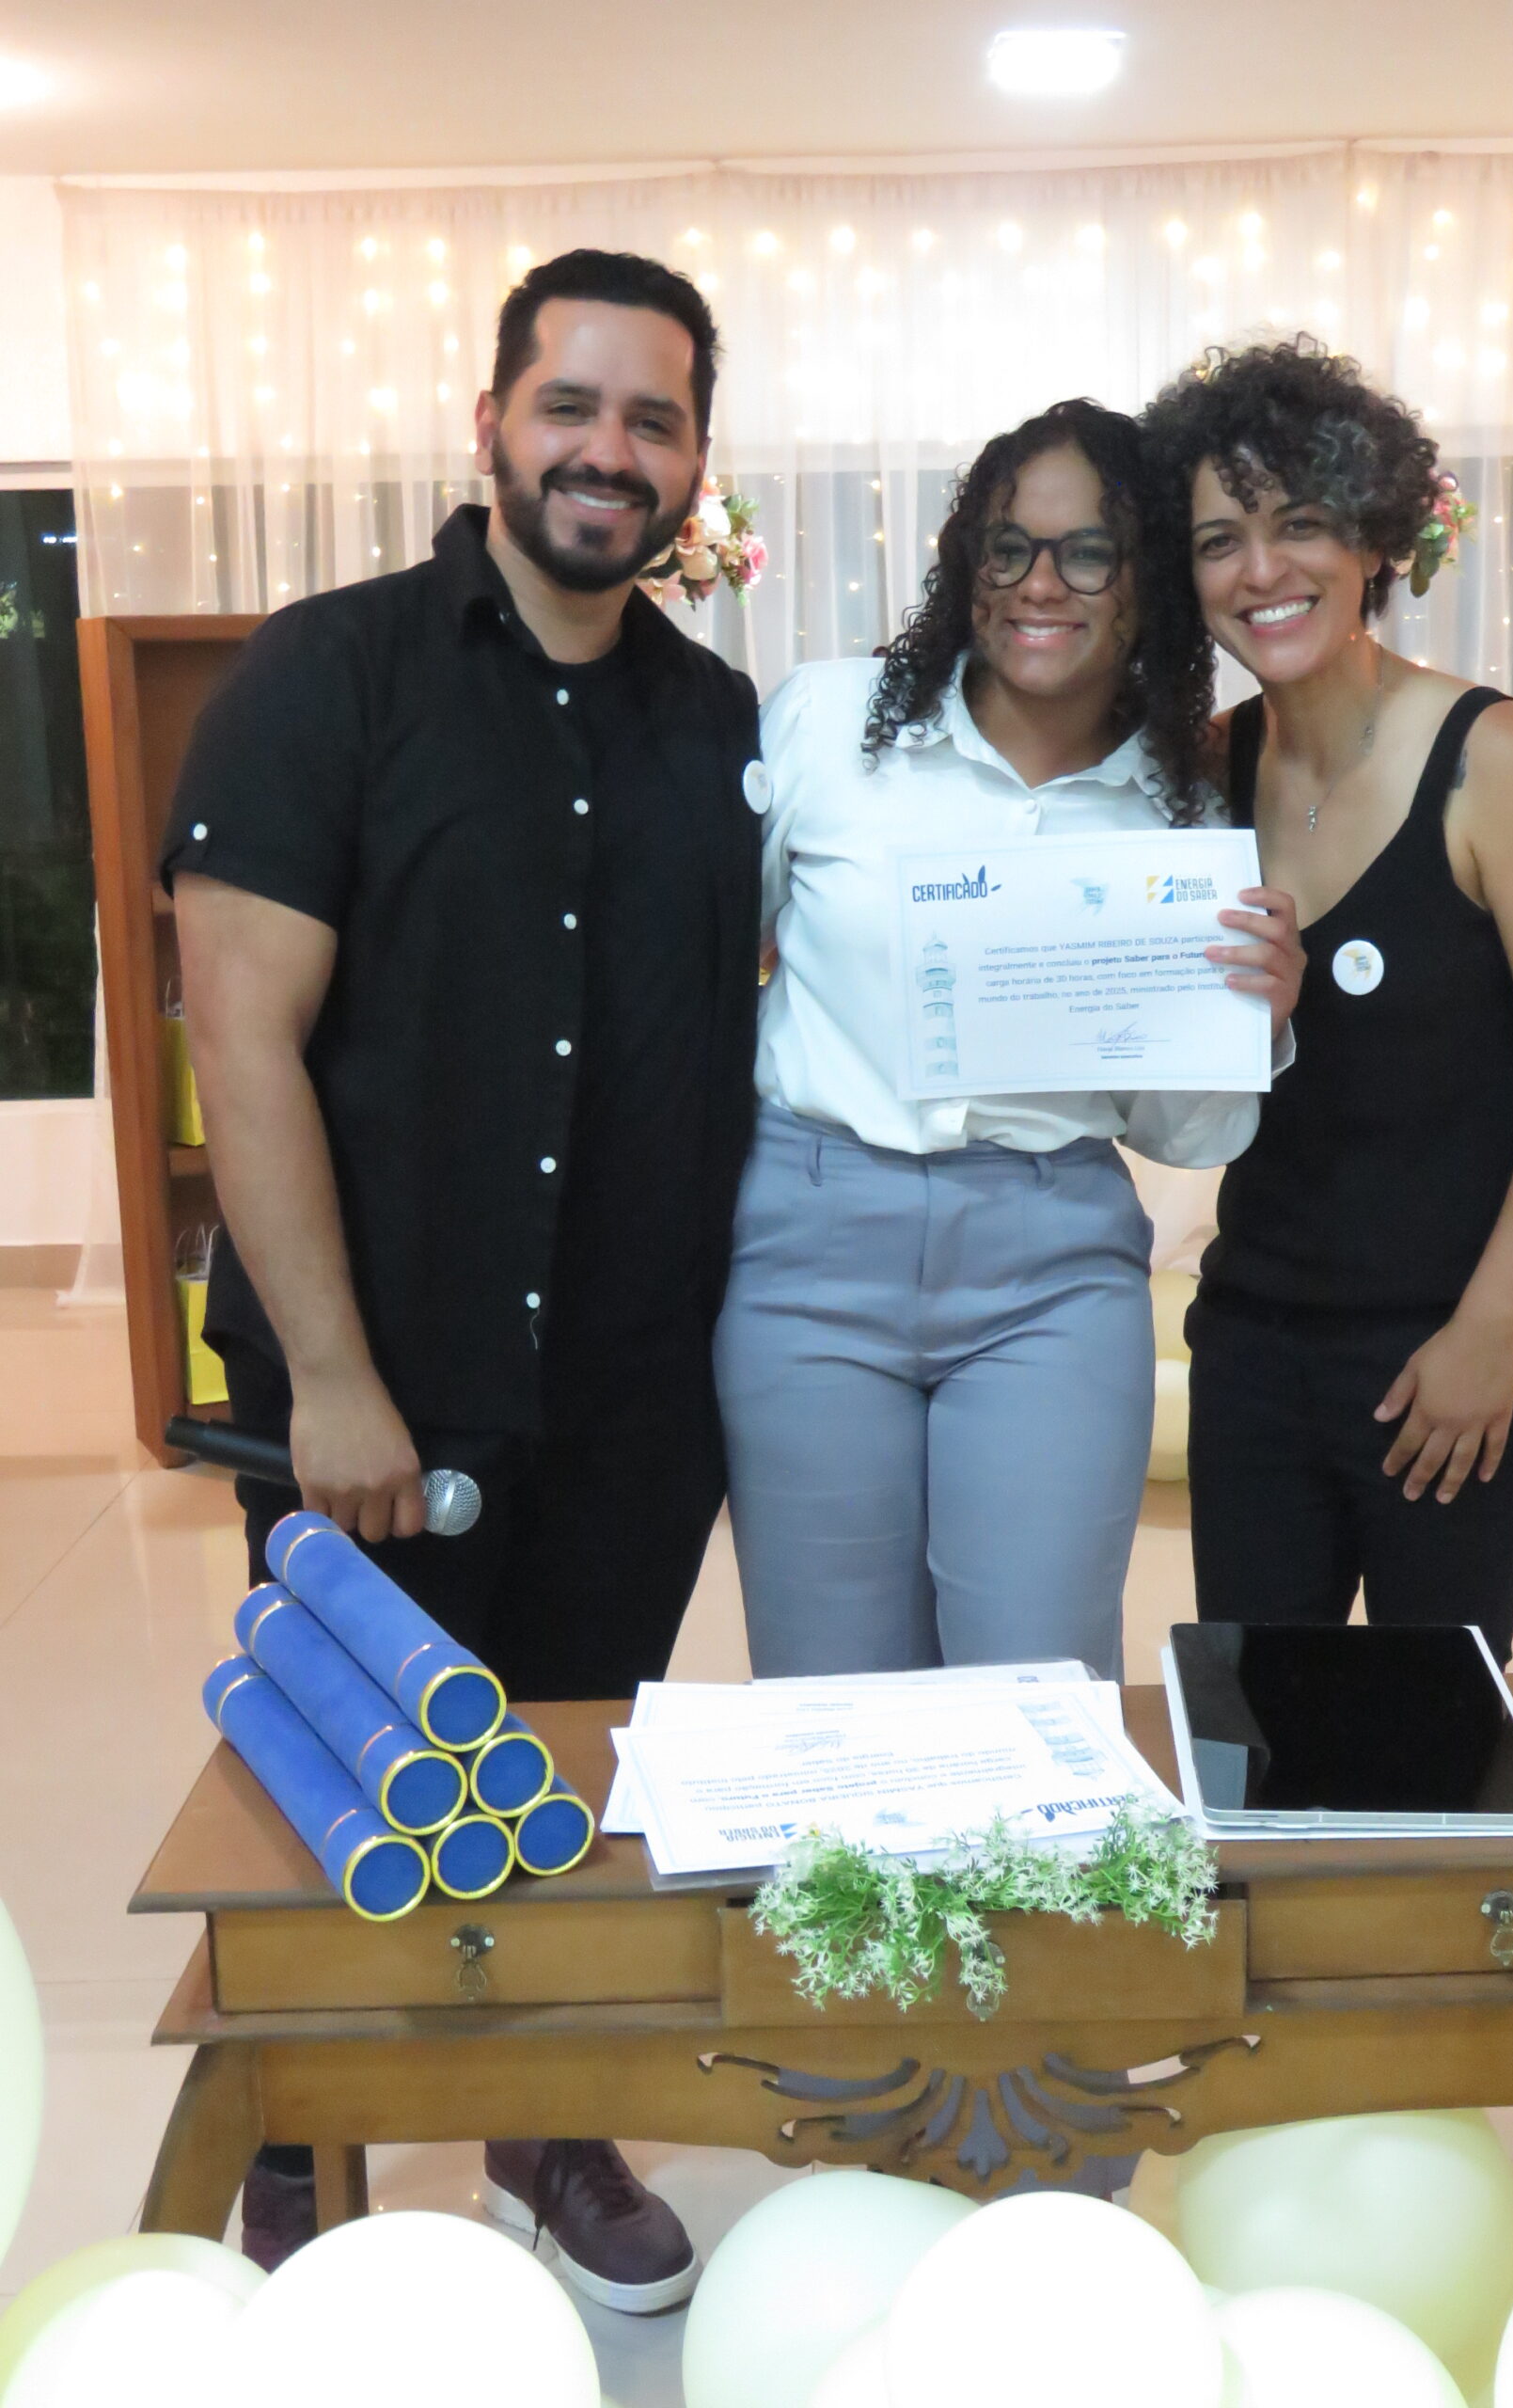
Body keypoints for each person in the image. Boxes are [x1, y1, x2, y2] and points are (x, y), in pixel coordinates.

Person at [164, 248, 763, 2299]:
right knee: (351, 1775)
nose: (609, 450)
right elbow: (242, 1040)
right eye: (571, 404)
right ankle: (303, 2138)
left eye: (653, 419)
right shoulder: (324, 676)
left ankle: (545, 2118)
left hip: (628, 1394)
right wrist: (332, 1373)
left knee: (567, 1783)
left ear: (693, 460)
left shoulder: (713, 719)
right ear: (493, 420)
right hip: (378, 1387)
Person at [714, 399, 1304, 1682]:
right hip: (807, 1251)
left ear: (1147, 583)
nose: (1042, 584)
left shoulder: (1185, 810)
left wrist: (1248, 1021)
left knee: (1038, 1693)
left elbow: (1181, 1136)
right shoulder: (827, 724)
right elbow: (703, 979)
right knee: (832, 1696)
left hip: (1049, 1271)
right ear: (965, 563)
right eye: (1009, 547)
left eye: (1089, 553)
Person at [1140, 339, 1513, 1663]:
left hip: (1449, 1355)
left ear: (1370, 537)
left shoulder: (1494, 757)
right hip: (1251, 1348)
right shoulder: (1203, 774)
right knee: (1258, 1737)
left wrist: (1489, 1332)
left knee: (1433, 1740)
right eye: (1220, 539)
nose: (1261, 570)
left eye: (1300, 523)